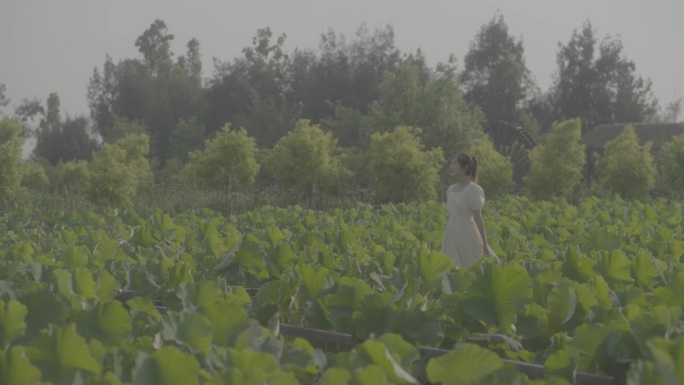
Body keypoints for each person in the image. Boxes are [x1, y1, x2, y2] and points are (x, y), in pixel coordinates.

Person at [440, 153, 494, 268]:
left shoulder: (473, 189)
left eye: (454, 164)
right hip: (451, 232)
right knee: (450, 267)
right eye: (451, 163)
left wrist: (484, 243)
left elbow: (478, 217)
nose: (451, 166)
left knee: (469, 266)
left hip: (467, 233)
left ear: (464, 168)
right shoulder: (450, 189)